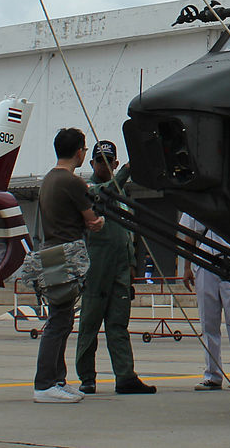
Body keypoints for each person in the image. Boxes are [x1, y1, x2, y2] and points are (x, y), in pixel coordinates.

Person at [74, 140, 155, 396]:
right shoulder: (89, 191)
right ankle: (87, 377)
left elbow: (127, 235)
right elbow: (106, 189)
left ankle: (125, 376)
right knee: (89, 325)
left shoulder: (120, 198)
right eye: (100, 161)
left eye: (110, 162)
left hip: (120, 268)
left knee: (118, 324)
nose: (105, 166)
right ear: (92, 163)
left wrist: (132, 264)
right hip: (96, 269)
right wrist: (129, 169)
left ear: (115, 163)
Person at [32, 128, 104, 403]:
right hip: (66, 253)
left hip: (50, 250)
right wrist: (100, 221)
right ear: (79, 152)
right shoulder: (72, 183)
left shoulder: (49, 179)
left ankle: (58, 379)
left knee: (60, 318)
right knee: (59, 321)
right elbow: (92, 219)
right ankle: (45, 383)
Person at [179, 213, 230, 392]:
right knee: (208, 323)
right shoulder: (194, 201)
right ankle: (212, 375)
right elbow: (189, 235)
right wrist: (186, 267)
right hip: (204, 263)